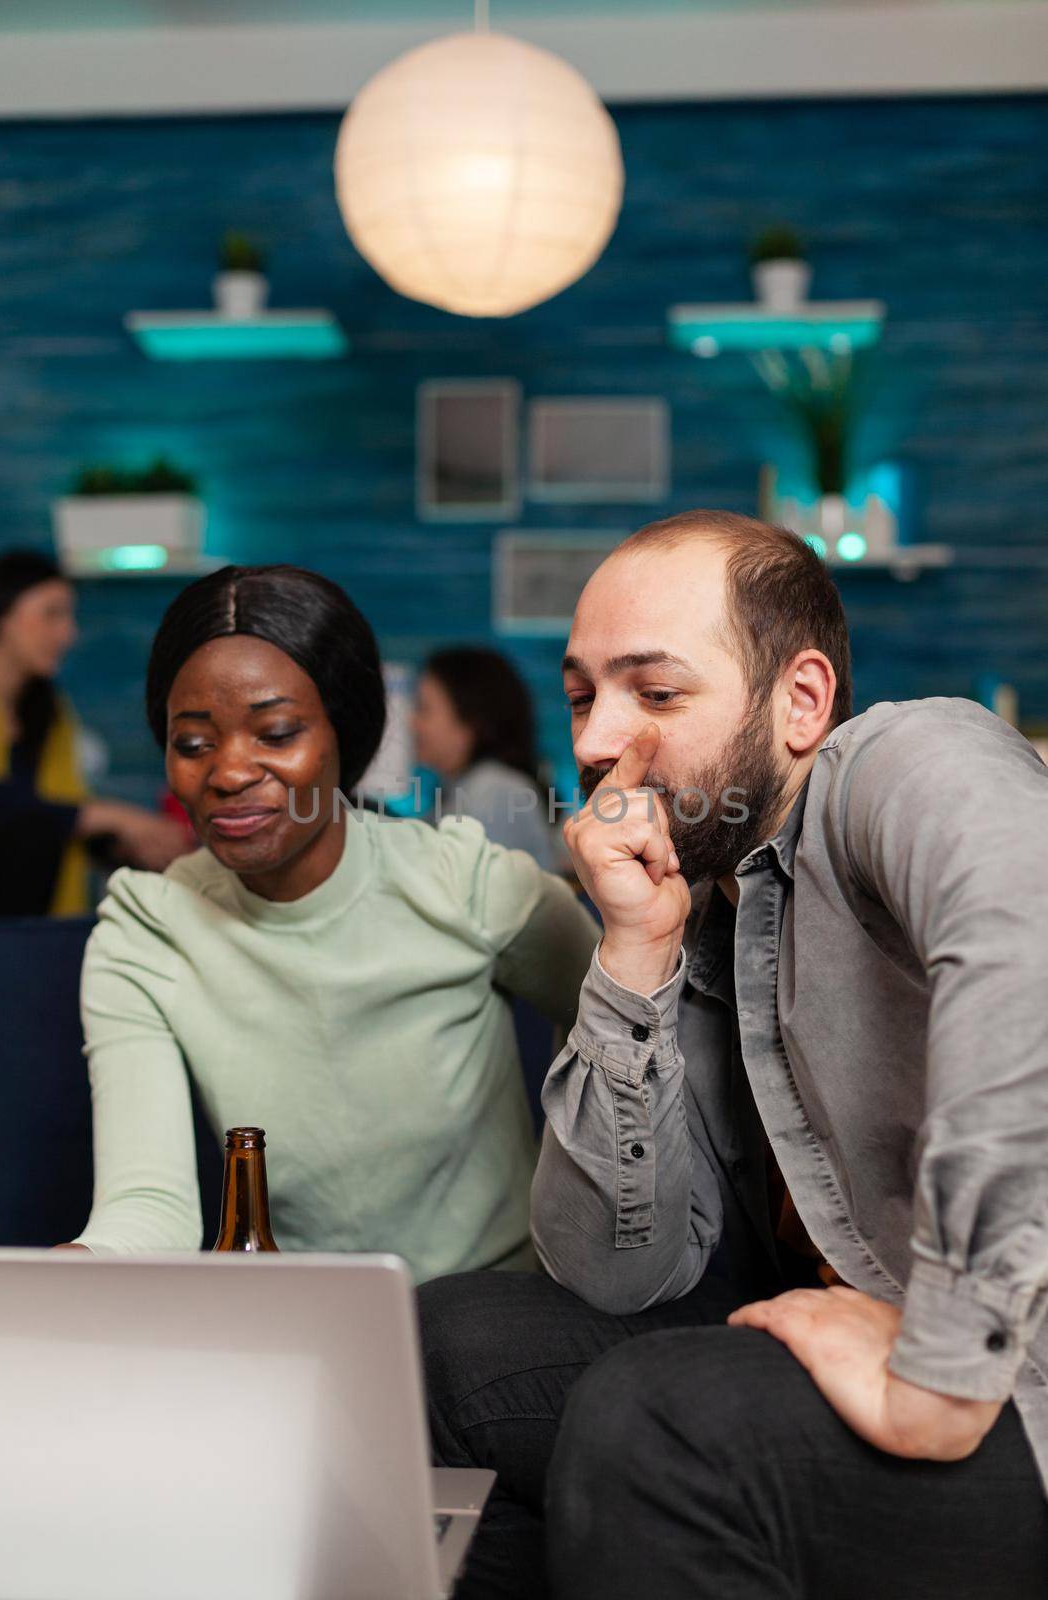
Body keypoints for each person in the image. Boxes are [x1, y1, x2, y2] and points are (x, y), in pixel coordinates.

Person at [420, 510, 1048, 1599]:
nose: (593, 742)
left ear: (800, 700)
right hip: (840, 1338)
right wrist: (633, 948)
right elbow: (617, 1268)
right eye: (581, 695)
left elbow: (1029, 955)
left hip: (1005, 1376)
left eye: (654, 693)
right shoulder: (700, 906)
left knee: (652, 1416)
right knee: (442, 1340)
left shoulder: (902, 761)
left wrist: (940, 1370)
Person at [65, 564, 599, 1280]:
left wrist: (583, 1198)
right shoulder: (146, 931)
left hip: (495, 1312)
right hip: (307, 1316)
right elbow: (149, 1205)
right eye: (192, 743)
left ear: (344, 737)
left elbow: (629, 1026)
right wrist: (71, 1274)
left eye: (276, 732)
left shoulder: (465, 882)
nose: (227, 771)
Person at [0, 549, 189, 915]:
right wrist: (118, 818)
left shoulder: (50, 711)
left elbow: (60, 813)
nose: (69, 633)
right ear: (2, 615)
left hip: (31, 925)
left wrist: (131, 842)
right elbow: (0, 805)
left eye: (69, 616)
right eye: (52, 614)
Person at [414, 647, 559, 870]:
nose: (411, 722)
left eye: (424, 709)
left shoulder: (496, 791)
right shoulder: (463, 788)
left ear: (470, 723)